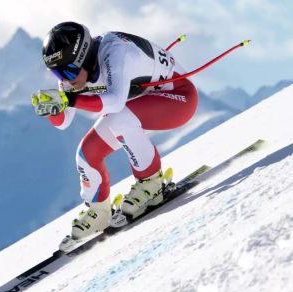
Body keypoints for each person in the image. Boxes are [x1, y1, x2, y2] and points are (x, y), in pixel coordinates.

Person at [32, 22, 198, 240]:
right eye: (57, 74)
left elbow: (116, 101)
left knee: (120, 119)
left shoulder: (115, 51)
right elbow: (63, 122)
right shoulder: (71, 77)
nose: (65, 80)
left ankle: (152, 184)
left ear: (83, 57)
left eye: (68, 71)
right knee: (86, 153)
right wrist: (53, 108)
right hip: (143, 103)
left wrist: (69, 99)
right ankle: (99, 211)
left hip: (180, 98)